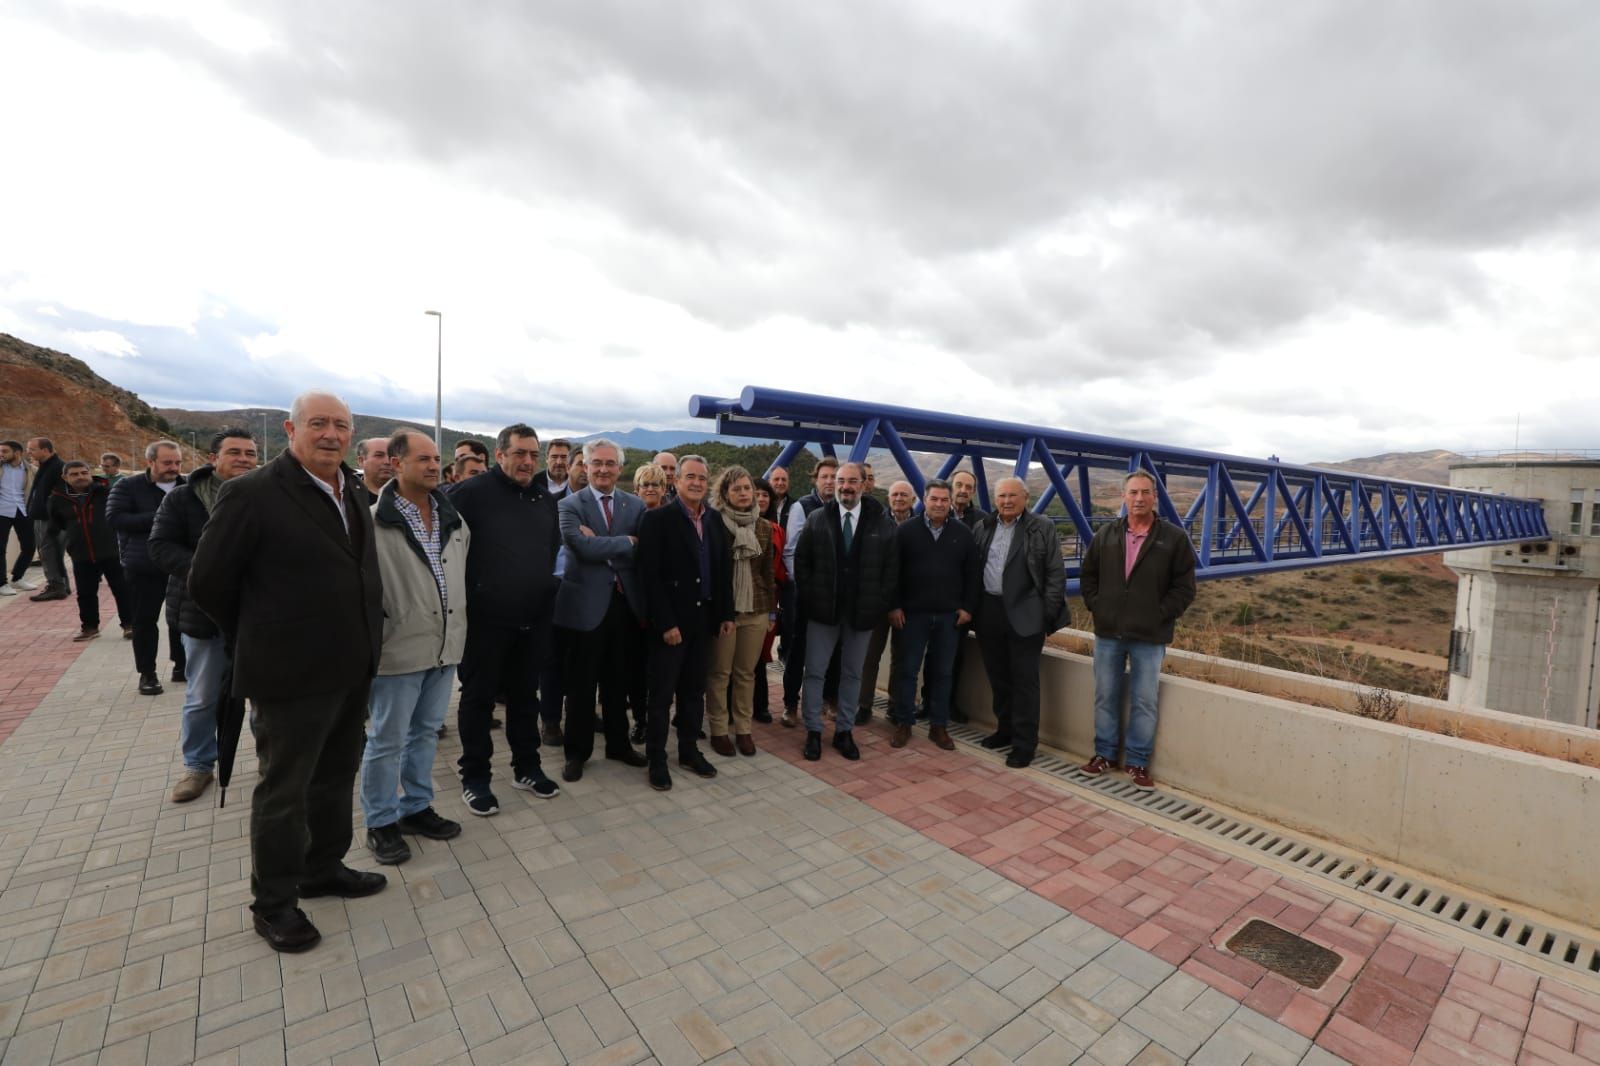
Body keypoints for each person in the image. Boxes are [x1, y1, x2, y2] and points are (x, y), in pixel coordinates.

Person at [189, 390, 387, 953]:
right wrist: (263, 632)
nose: (330, 434)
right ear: (290, 428)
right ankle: (274, 904)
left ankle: (322, 868)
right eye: (318, 424)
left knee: (335, 776)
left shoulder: (350, 489)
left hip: (351, 665)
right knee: (285, 791)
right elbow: (208, 583)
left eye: (341, 426)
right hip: (288, 674)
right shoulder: (251, 493)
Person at [361, 429, 468, 864]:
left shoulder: (455, 520)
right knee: (386, 740)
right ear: (397, 463)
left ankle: (417, 808)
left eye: (435, 459)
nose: (432, 466)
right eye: (422, 459)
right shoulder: (371, 521)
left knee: (425, 733)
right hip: (397, 650)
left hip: (445, 649)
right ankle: (381, 821)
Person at [448, 424, 562, 815]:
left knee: (524, 698)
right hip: (483, 623)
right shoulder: (469, 495)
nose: (527, 461)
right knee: (478, 701)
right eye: (519, 454)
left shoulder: (544, 500)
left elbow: (551, 553)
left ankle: (527, 768)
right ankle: (475, 778)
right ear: (499, 456)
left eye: (533, 454)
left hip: (532, 621)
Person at [149, 427, 260, 803]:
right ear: (214, 458)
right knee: (202, 697)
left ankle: (271, 760)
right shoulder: (184, 498)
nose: (244, 459)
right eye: (235, 452)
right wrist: (208, 571)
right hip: (202, 614)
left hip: (258, 617)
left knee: (265, 696)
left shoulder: (268, 497)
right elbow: (161, 547)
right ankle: (197, 766)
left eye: (250, 453)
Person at [1080, 471, 1198, 790]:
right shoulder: (1106, 535)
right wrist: (1099, 606)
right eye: (1133, 492)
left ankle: (1138, 762)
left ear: (1155, 497)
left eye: (1146, 492)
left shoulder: (1173, 538)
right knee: (1106, 695)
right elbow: (1088, 576)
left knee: (1145, 700)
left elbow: (1184, 587)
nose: (1139, 498)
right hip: (1109, 632)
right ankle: (1104, 754)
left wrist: (1159, 615)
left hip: (1150, 635)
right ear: (1123, 496)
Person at [552, 439, 649, 781]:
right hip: (583, 609)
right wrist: (625, 542)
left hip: (624, 606)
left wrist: (601, 544)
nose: (603, 469)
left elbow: (643, 551)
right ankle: (576, 753)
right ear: (586, 466)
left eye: (610, 464)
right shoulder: (570, 504)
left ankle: (619, 745)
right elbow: (578, 547)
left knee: (617, 683)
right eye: (597, 463)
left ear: (620, 468)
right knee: (580, 686)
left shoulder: (635, 506)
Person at [636, 455, 733, 790]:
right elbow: (649, 577)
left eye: (702, 478)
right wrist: (665, 623)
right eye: (690, 476)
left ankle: (689, 750)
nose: (696, 483)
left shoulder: (716, 520)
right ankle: (656, 758)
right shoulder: (658, 520)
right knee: (661, 696)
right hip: (671, 625)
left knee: (693, 692)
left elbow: (722, 569)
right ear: (675, 481)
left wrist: (725, 613)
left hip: (703, 621)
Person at [793, 461, 898, 761]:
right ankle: (813, 730)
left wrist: (877, 603)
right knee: (814, 672)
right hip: (823, 612)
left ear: (864, 484)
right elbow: (803, 563)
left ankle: (844, 731)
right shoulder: (817, 518)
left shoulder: (881, 522)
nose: (845, 486)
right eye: (841, 481)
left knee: (852, 674)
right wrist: (812, 598)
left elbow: (891, 570)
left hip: (862, 615)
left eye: (852, 481)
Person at [971, 477, 1067, 769]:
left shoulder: (1042, 527)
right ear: (995, 499)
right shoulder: (983, 526)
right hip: (989, 610)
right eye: (1001, 496)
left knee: (1025, 682)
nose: (1007, 501)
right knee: (999, 677)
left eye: (1013, 495)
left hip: (1027, 614)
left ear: (1026, 497)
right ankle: (1005, 730)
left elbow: (1055, 574)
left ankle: (1025, 744)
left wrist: (1045, 614)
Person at [888, 479, 978, 750]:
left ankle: (939, 726)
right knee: (907, 671)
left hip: (949, 617)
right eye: (934, 499)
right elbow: (891, 571)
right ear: (924, 501)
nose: (939, 504)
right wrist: (894, 606)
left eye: (943, 499)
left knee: (943, 673)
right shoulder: (906, 531)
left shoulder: (963, 534)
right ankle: (904, 723)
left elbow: (972, 575)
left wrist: (968, 608)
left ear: (950, 502)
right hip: (912, 615)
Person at [704, 466, 777, 757]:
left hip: (756, 608)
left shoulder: (763, 526)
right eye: (737, 489)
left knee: (746, 673)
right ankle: (719, 729)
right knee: (720, 673)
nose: (744, 493)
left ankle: (743, 729)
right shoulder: (713, 523)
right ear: (724, 494)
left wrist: (772, 611)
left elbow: (768, 572)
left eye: (747, 488)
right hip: (725, 610)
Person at [107, 440, 187, 695]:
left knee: (180, 619)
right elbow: (115, 518)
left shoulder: (187, 487)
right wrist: (160, 518)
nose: (173, 467)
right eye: (167, 463)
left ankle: (181, 666)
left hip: (180, 565)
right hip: (143, 565)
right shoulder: (127, 486)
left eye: (177, 462)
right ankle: (148, 674)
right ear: (150, 462)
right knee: (144, 621)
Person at [46, 461, 132, 642]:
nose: (80, 477)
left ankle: (129, 625)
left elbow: (122, 516)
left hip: (111, 551)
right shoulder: (57, 498)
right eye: (74, 474)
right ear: (65, 477)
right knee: (85, 593)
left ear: (90, 473)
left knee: (123, 590)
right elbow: (57, 524)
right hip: (81, 553)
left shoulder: (106, 492)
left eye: (84, 473)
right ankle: (90, 627)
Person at [781, 456, 838, 726]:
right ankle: (790, 704)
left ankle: (828, 698)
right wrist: (805, 587)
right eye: (824, 476)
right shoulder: (802, 507)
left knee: (833, 649)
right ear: (815, 479)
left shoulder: (845, 508)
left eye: (834, 477)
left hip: (834, 596)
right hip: (804, 594)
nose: (829, 481)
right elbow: (792, 550)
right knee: (798, 650)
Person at [855, 479, 918, 722]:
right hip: (877, 602)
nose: (899, 499)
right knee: (870, 657)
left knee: (902, 659)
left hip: (909, 604)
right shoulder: (875, 523)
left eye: (904, 495)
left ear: (913, 499)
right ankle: (864, 705)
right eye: (895, 495)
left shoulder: (919, 526)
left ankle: (895, 705)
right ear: (888, 498)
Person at [626, 462, 668, 743]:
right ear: (636, 488)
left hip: (664, 605)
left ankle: (658, 720)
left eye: (655, 484)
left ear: (664, 489)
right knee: (636, 670)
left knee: (662, 671)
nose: (650, 489)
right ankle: (641, 720)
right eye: (645, 484)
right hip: (634, 603)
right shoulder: (629, 518)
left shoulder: (672, 519)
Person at [747, 477, 786, 725]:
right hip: (741, 599)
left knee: (760, 654)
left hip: (768, 598)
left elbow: (779, 569)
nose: (761, 499)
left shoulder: (775, 530)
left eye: (765, 495)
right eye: (757, 494)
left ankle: (760, 705)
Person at [25, 437, 70, 601]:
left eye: (32, 449)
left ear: (45, 450)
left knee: (48, 551)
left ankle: (56, 586)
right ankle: (62, 585)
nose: (28, 452)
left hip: (51, 518)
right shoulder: (47, 466)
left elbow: (61, 495)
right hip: (43, 516)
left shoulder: (58, 467)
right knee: (52, 551)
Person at [0, 441, 38, 596]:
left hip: (23, 511)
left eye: (4, 451)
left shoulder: (31, 470)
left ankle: (17, 577)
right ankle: (1, 583)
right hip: (1, 511)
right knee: (0, 548)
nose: (1, 454)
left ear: (17, 453)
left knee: (30, 546)